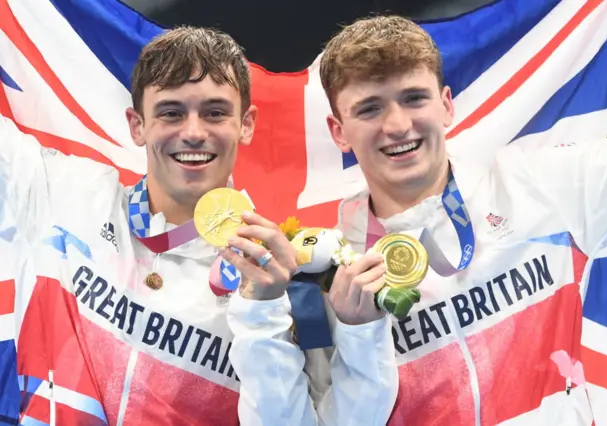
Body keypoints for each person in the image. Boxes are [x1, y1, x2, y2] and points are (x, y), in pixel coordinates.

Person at [0, 26, 396, 425]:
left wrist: (262, 311)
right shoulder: (60, 194)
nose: (193, 132)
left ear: (246, 124)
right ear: (137, 125)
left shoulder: (278, 275)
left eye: (215, 112)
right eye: (171, 112)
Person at [317, 15, 607, 425]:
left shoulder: (538, 184)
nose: (397, 125)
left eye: (414, 98)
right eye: (370, 109)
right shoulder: (332, 272)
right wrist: (359, 334)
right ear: (339, 132)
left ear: (447, 105)